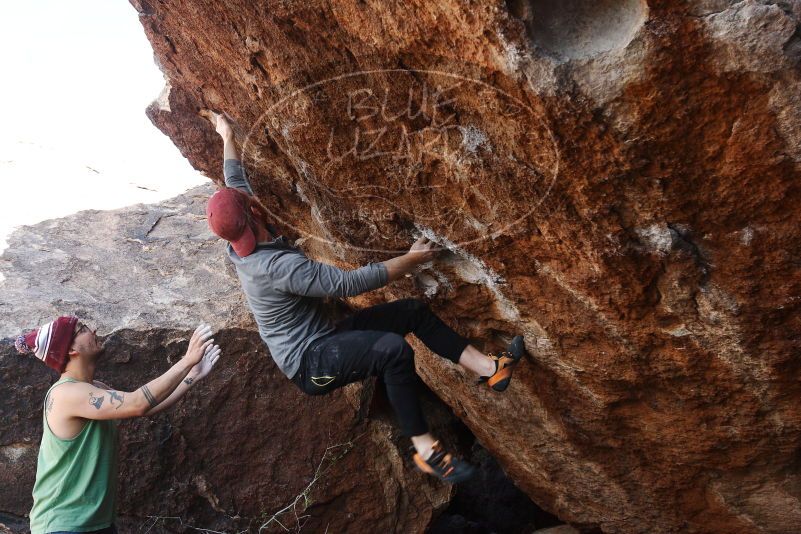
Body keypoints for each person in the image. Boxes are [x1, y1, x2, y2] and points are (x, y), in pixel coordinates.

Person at [206, 112, 525, 483]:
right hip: (310, 363)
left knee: (412, 313)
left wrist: (226, 135)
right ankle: (427, 452)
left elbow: (234, 181)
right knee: (393, 351)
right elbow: (348, 284)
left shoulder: (242, 235)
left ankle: (491, 369)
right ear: (253, 216)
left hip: (327, 336)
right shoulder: (275, 267)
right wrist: (411, 260)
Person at [15, 317, 221, 534]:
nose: (93, 328)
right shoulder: (66, 393)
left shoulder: (95, 389)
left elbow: (145, 408)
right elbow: (138, 402)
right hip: (63, 524)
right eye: (83, 329)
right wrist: (187, 360)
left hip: (95, 523)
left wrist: (192, 376)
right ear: (71, 349)